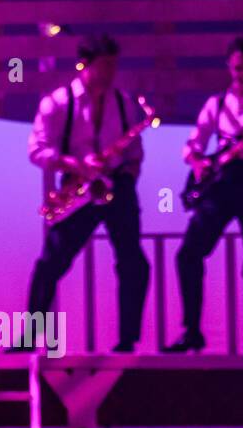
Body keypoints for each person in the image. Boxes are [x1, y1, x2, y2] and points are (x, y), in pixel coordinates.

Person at [13, 34, 150, 353]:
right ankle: (30, 336)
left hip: (115, 184)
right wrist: (73, 164)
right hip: (79, 186)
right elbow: (37, 150)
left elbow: (135, 151)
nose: (110, 73)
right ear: (85, 65)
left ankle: (128, 340)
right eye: (104, 66)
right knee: (51, 261)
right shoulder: (59, 103)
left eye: (114, 66)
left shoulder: (124, 102)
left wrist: (126, 177)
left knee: (133, 262)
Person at [166, 37, 243, 354]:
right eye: (237, 69)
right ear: (229, 69)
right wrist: (196, 162)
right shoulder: (216, 104)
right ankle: (191, 331)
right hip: (221, 184)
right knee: (188, 254)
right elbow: (193, 144)